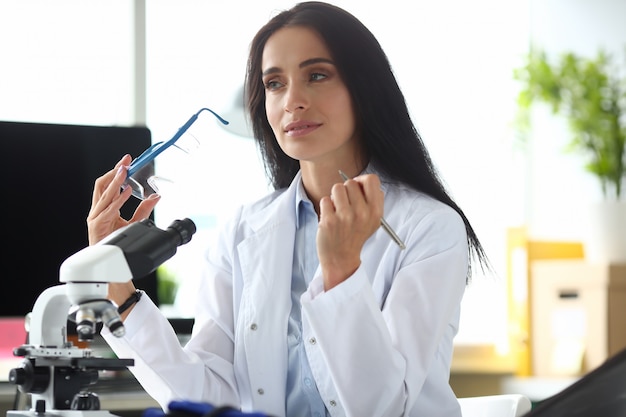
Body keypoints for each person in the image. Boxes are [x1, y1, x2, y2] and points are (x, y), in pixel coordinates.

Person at [88, 2, 490, 416]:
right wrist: (114, 281)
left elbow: (383, 408)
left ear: (364, 87)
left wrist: (341, 273)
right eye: (275, 84)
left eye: (317, 75)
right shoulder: (242, 230)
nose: (292, 101)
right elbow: (209, 398)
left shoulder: (429, 227)